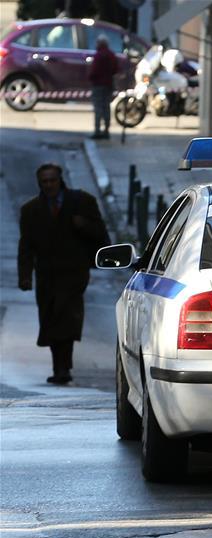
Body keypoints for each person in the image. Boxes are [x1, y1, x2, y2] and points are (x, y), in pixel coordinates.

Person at [18, 164, 110, 384]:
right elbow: (26, 246)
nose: (49, 185)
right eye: (44, 182)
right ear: (39, 184)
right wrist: (25, 276)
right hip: (46, 273)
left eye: (52, 180)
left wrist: (83, 225)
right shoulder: (31, 210)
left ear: (60, 180)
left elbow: (101, 233)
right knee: (50, 317)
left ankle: (63, 368)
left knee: (67, 315)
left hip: (74, 272)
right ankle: (58, 365)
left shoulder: (82, 202)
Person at [88, 35, 118, 139]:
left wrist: (91, 78)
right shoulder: (111, 55)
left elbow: (94, 71)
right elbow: (116, 69)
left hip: (98, 85)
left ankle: (97, 130)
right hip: (108, 84)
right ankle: (106, 130)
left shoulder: (98, 55)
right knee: (106, 107)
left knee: (98, 108)